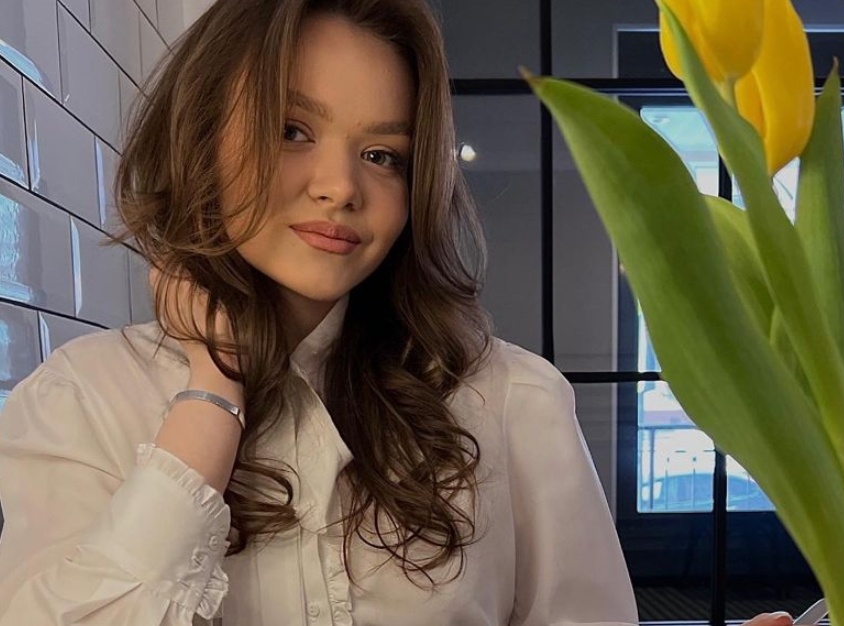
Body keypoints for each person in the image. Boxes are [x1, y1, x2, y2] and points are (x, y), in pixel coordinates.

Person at [0, 1, 797, 625]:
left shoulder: (513, 399)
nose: (340, 187)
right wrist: (212, 398)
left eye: (383, 155)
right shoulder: (84, 398)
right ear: (201, 136)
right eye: (292, 131)